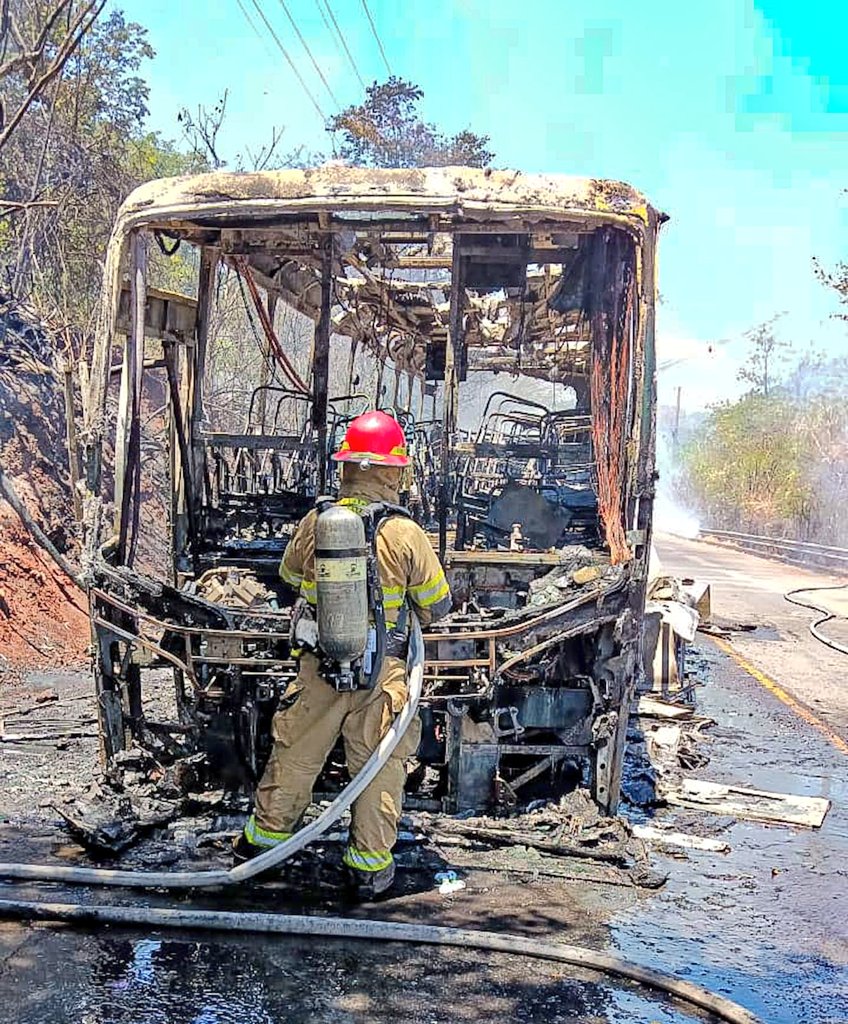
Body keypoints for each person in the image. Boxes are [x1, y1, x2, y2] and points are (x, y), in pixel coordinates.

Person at [234, 410, 452, 896]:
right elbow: (436, 605)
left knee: (294, 758)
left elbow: (289, 579)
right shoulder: (405, 533)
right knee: (377, 768)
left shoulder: (316, 522)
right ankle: (368, 869)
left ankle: (260, 850)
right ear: (392, 471)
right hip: (383, 673)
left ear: (347, 466)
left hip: (319, 667)